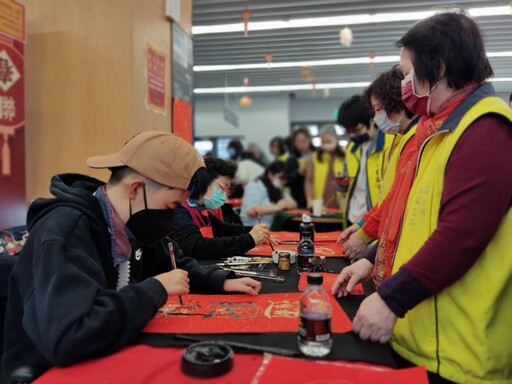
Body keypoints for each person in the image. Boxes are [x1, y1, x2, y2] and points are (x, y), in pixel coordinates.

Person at [332, 10, 512, 384]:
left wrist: (391, 298)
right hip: (427, 334)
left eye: (410, 72)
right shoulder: (438, 130)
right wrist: (370, 259)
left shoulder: (484, 129)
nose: (406, 84)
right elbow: (408, 215)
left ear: (440, 68)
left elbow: (460, 236)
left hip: (461, 351)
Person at [1, 131, 262, 381]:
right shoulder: (67, 231)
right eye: (171, 206)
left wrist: (219, 280)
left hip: (103, 348)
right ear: (136, 188)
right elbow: (70, 333)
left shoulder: (130, 220)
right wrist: (154, 289)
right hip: (48, 368)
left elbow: (173, 261)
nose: (171, 219)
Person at [339, 66, 418, 262]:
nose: (376, 117)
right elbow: (388, 198)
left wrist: (366, 232)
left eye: (378, 109)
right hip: (372, 223)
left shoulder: (405, 141)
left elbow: (395, 198)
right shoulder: (356, 147)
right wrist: (361, 224)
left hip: (389, 231)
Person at [170, 157, 272, 260]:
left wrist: (256, 232)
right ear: (205, 179)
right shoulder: (180, 210)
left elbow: (225, 229)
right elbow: (197, 246)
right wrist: (250, 239)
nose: (224, 195)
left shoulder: (200, 209)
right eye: (222, 188)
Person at [337, 95, 393, 227]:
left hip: (376, 220)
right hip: (353, 217)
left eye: (356, 130)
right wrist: (342, 185)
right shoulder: (352, 148)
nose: (352, 135)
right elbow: (350, 183)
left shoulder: (389, 144)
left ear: (372, 120)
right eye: (348, 132)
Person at [240, 161, 297, 227]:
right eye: (281, 177)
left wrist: (283, 205)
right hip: (252, 229)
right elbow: (251, 211)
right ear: (270, 174)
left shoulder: (277, 188)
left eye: (285, 179)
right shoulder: (255, 186)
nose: (283, 181)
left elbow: (293, 203)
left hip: (270, 228)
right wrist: (277, 207)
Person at [304, 124, 345, 209]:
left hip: (341, 201)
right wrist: (309, 199)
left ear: (336, 140)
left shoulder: (345, 156)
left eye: (329, 142)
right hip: (319, 201)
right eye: (323, 142)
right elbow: (308, 180)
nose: (326, 145)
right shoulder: (315, 157)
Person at [284, 127, 314, 208]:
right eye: (298, 142)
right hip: (299, 198)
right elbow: (286, 180)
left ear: (309, 140)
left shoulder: (317, 156)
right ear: (294, 143)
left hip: (317, 195)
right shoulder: (291, 160)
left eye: (304, 141)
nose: (301, 144)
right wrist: (298, 172)